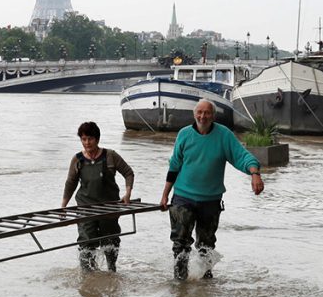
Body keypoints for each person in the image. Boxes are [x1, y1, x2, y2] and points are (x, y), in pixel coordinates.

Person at [159, 100, 264, 280]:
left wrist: (254, 173)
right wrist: (165, 195)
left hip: (210, 200)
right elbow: (174, 166)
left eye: (207, 113)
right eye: (199, 112)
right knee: (180, 244)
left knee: (206, 246)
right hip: (183, 198)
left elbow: (241, 156)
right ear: (194, 114)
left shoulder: (224, 135)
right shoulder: (184, 134)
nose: (203, 116)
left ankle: (205, 286)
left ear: (213, 116)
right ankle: (180, 284)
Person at [61, 121, 134, 272]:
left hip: (109, 208)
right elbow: (71, 183)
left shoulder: (110, 156)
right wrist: (63, 205)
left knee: (110, 242)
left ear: (97, 139)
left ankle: (111, 272)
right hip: (85, 208)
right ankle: (89, 279)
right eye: (84, 139)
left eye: (90, 139)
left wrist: (128, 193)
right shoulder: (78, 160)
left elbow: (128, 173)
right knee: (86, 243)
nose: (87, 143)